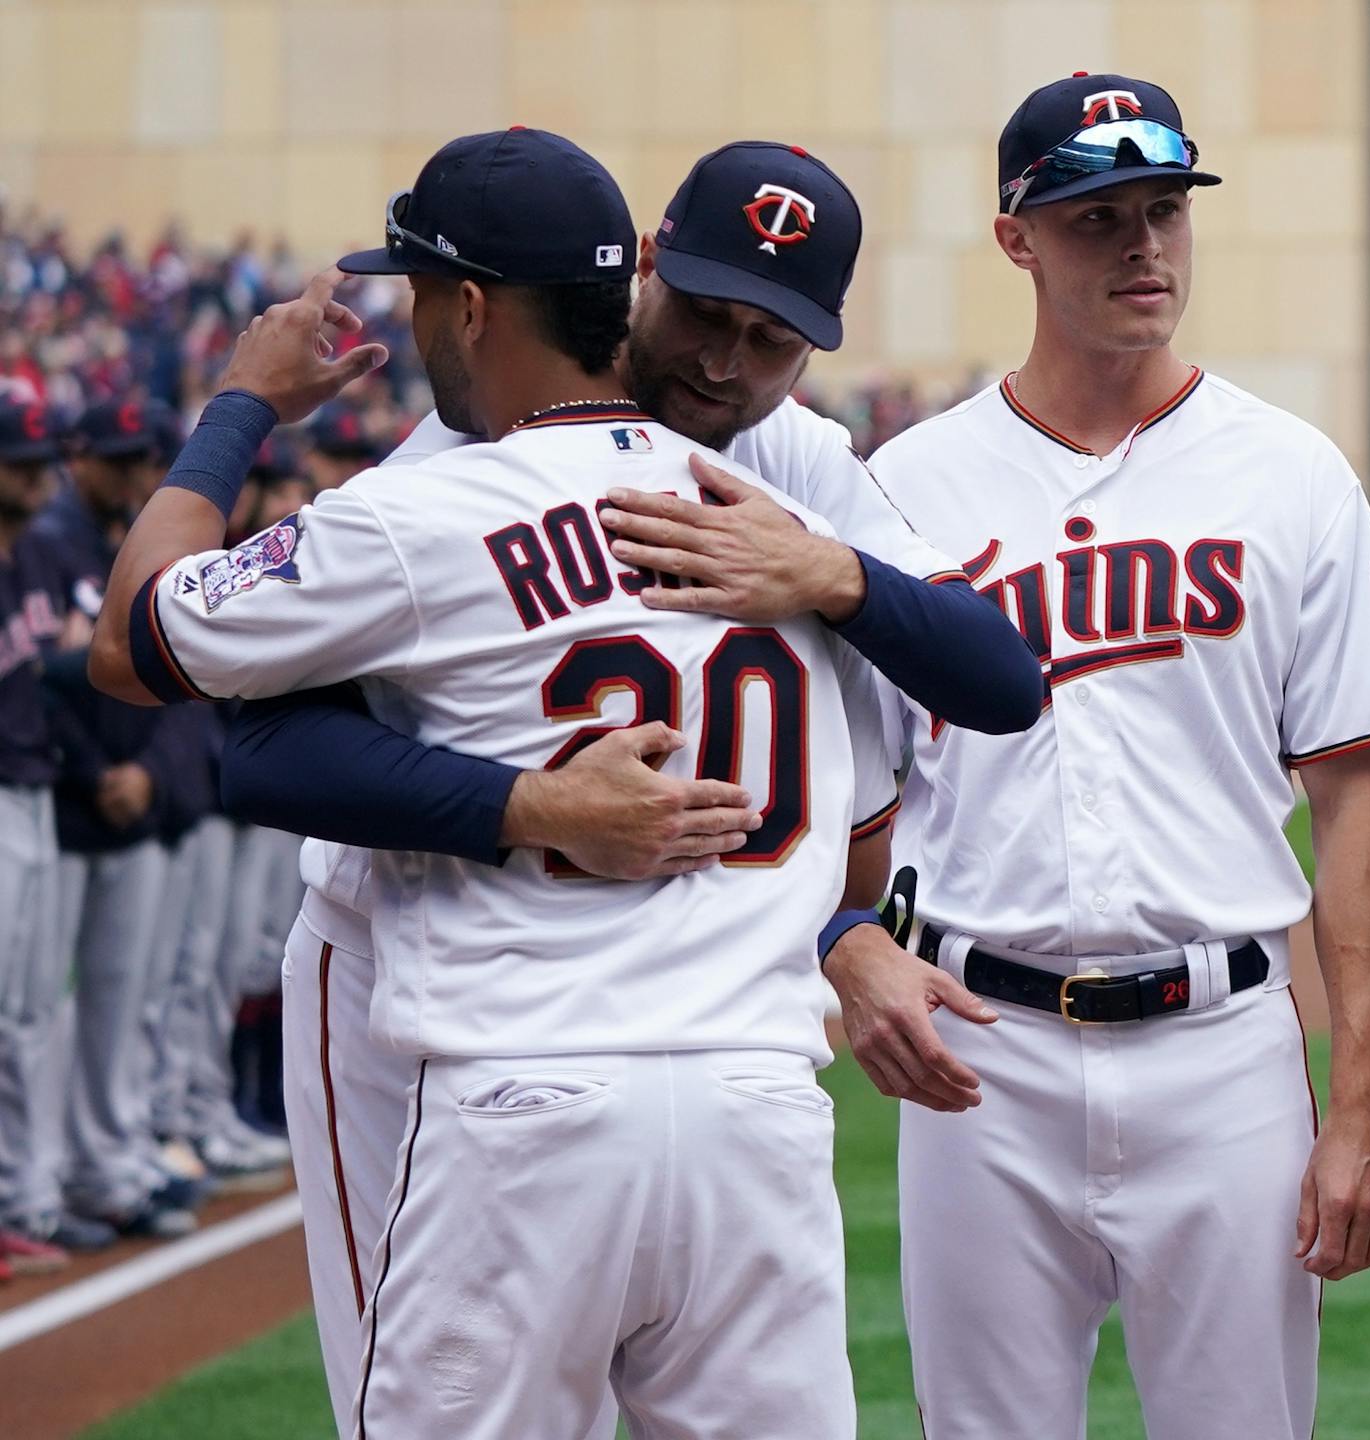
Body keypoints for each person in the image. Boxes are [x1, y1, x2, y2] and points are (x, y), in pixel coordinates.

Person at [89, 128, 934, 1438]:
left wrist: (243, 405)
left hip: (511, 1064)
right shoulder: (791, 525)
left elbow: (144, 647)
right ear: (633, 283)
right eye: (713, 319)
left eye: (424, 294)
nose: (729, 359)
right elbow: (969, 701)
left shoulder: (432, 505)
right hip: (751, 1086)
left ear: (468, 306)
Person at [643, 73, 1370, 1438]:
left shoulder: (1293, 476)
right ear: (1016, 237)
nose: (1142, 247)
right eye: (1098, 215)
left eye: (1164, 210)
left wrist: (1361, 1106)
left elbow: (1354, 800)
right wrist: (839, 936)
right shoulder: (903, 482)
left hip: (1223, 1045)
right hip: (982, 1050)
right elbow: (836, 787)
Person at [29, 397, 206, 1241]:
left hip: (134, 808)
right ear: (82, 458)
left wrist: (147, 773)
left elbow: (183, 678)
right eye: (127, 459)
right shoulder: (46, 542)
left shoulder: (122, 544)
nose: (141, 474)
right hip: (65, 804)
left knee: (118, 996)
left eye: (148, 460)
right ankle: (45, 1179)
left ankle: (107, 1162)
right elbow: (35, 682)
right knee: (37, 1008)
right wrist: (104, 772)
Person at [0, 398, 79, 1278]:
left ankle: (22, 1199)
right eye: (17, 464)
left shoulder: (26, 558)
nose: (33, 476)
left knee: (26, 1013)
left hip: (32, 787)